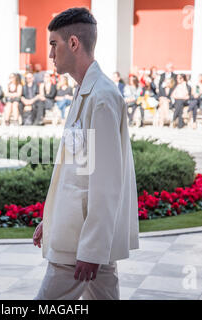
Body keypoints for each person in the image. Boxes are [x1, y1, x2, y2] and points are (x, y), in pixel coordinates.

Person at [33, 7, 139, 300]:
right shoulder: (84, 91)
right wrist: (51, 217)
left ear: (74, 43)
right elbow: (74, 170)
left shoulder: (102, 98)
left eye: (54, 44)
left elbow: (106, 183)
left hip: (79, 242)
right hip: (78, 231)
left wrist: (92, 249)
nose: (51, 55)